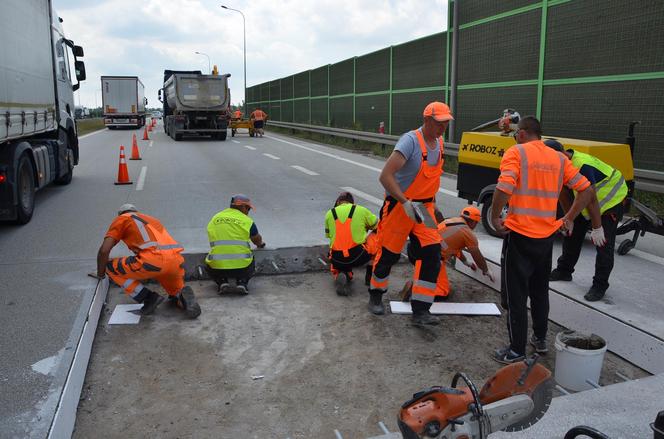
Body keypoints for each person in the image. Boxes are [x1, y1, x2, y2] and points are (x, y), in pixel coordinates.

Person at [491, 116, 594, 363]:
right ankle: (539, 340)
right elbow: (587, 190)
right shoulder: (559, 158)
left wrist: (495, 218)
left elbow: (504, 187)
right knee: (539, 292)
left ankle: (516, 350)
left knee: (516, 295)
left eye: (517, 133)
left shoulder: (517, 152)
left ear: (524, 133)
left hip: (520, 235)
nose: (516, 137)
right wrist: (569, 217)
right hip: (545, 237)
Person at [369, 101, 452, 325]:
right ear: (427, 120)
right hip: (400, 207)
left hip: (424, 209)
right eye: (439, 123)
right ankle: (376, 295)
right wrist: (404, 201)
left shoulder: (440, 142)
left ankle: (421, 310)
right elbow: (385, 176)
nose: (443, 128)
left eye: (446, 123)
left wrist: (431, 205)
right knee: (388, 254)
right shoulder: (410, 142)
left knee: (433, 255)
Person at [544, 139, 627, 302]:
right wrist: (570, 219)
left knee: (603, 243)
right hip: (585, 200)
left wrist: (597, 228)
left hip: (610, 201)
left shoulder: (582, 166)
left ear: (561, 155)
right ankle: (564, 270)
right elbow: (562, 192)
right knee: (571, 233)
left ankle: (600, 285)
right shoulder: (556, 165)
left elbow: (591, 199)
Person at [91, 204, 201, 318]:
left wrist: (100, 273)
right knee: (175, 291)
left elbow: (104, 251)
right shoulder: (152, 220)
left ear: (120, 214)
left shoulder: (122, 218)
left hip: (153, 261)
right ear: (137, 211)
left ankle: (148, 297)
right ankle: (181, 297)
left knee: (109, 267)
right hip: (175, 261)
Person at [402, 206, 495, 300]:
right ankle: (415, 289)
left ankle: (421, 281)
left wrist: (466, 262)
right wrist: (486, 270)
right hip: (429, 258)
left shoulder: (452, 221)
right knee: (442, 292)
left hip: (415, 251)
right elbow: (477, 255)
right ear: (474, 222)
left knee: (431, 276)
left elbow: (452, 247)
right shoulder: (468, 234)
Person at [204, 194, 265, 294]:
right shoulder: (246, 221)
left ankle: (222, 282)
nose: (248, 212)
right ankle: (242, 282)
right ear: (242, 207)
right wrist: (260, 244)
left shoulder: (215, 218)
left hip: (217, 267)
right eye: (248, 209)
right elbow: (257, 239)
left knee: (208, 263)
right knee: (251, 259)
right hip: (242, 268)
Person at [325, 191, 378, 296]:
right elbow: (377, 225)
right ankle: (370, 276)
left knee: (338, 246)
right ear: (352, 202)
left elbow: (329, 235)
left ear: (338, 202)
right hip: (358, 256)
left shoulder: (329, 213)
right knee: (378, 235)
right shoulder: (361, 210)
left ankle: (343, 273)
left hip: (337, 259)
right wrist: (365, 228)